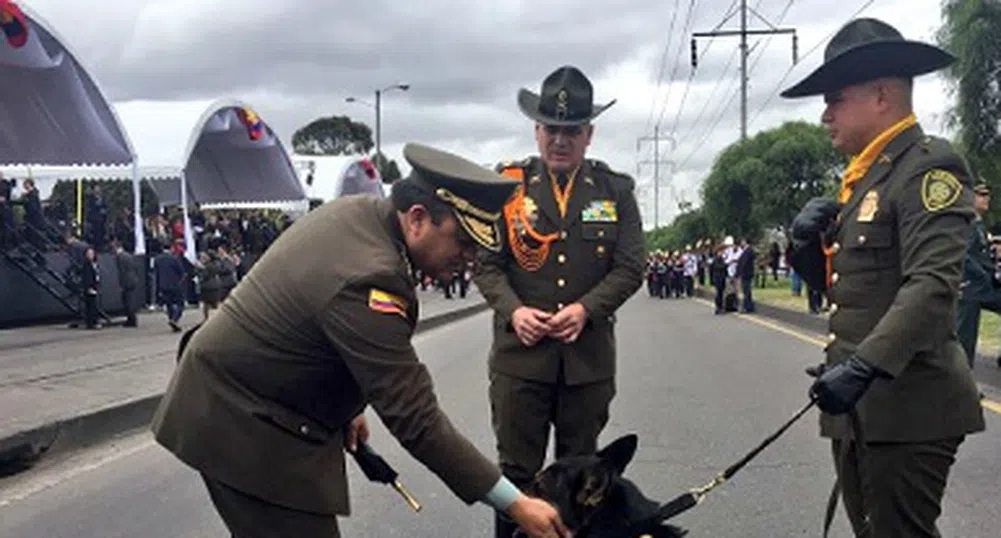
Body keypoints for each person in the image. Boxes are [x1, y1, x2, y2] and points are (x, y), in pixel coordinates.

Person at [150, 143, 569, 538]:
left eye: (478, 248)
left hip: (245, 400)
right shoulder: (371, 277)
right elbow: (417, 419)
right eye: (462, 242)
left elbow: (314, 323)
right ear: (418, 218)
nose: (470, 258)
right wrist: (515, 504)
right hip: (241, 426)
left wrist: (348, 402)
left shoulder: (365, 214)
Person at [784, 18, 986, 538]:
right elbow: (849, 289)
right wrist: (803, 248)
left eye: (834, 99)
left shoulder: (927, 168)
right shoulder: (865, 177)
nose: (825, 115)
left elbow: (932, 285)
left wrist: (863, 366)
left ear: (880, 95)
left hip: (909, 409)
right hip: (862, 408)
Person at [474, 65, 645, 538]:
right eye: (552, 129)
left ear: (588, 134)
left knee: (584, 488)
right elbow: (487, 265)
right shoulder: (507, 188)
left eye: (572, 130)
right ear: (537, 130)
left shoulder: (615, 191)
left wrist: (587, 308)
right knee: (513, 481)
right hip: (520, 362)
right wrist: (515, 311)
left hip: (586, 365)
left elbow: (631, 267)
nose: (560, 140)